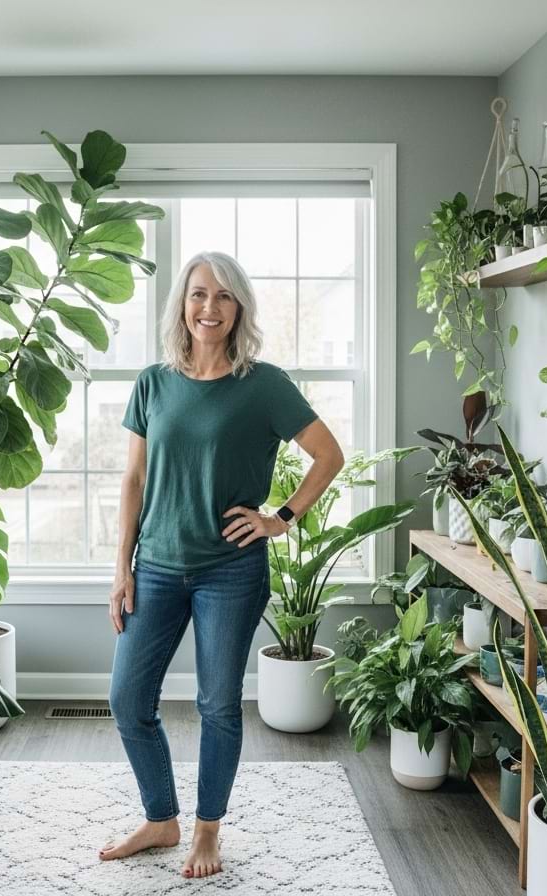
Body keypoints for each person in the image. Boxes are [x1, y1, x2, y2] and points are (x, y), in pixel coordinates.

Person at [98, 250, 345, 878]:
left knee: (217, 704)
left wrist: (279, 517)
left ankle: (207, 830)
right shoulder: (153, 382)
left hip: (230, 572)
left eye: (224, 296)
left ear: (239, 308)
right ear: (182, 304)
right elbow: (133, 480)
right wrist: (122, 567)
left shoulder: (263, 384)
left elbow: (329, 455)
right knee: (127, 699)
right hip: (155, 565)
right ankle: (161, 819)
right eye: (199, 294)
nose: (210, 307)